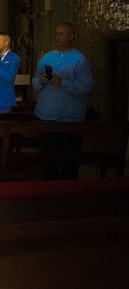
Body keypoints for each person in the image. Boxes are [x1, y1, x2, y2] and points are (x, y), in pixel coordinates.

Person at [32, 22, 93, 179]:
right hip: (46, 116)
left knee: (69, 162)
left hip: (69, 118)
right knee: (48, 160)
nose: (57, 37)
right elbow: (35, 81)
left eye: (62, 34)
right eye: (57, 33)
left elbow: (86, 86)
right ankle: (49, 192)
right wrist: (42, 81)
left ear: (71, 36)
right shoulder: (47, 56)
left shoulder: (79, 59)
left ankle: (68, 195)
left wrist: (62, 82)